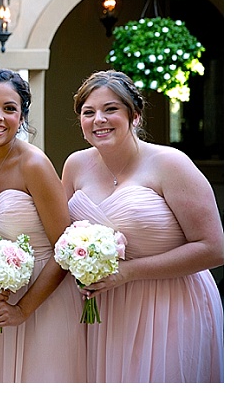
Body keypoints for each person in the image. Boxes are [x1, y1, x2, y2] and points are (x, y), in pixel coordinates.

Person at [62, 70, 223, 382]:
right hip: (104, 309)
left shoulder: (170, 164)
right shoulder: (75, 165)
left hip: (168, 306)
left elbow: (214, 248)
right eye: (89, 112)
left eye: (111, 109)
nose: (99, 120)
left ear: (134, 116)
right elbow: (60, 233)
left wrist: (129, 272)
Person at [0, 68, 86, 382]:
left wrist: (23, 309)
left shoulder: (34, 165)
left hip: (46, 297)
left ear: (21, 117)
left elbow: (65, 246)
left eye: (9, 109)